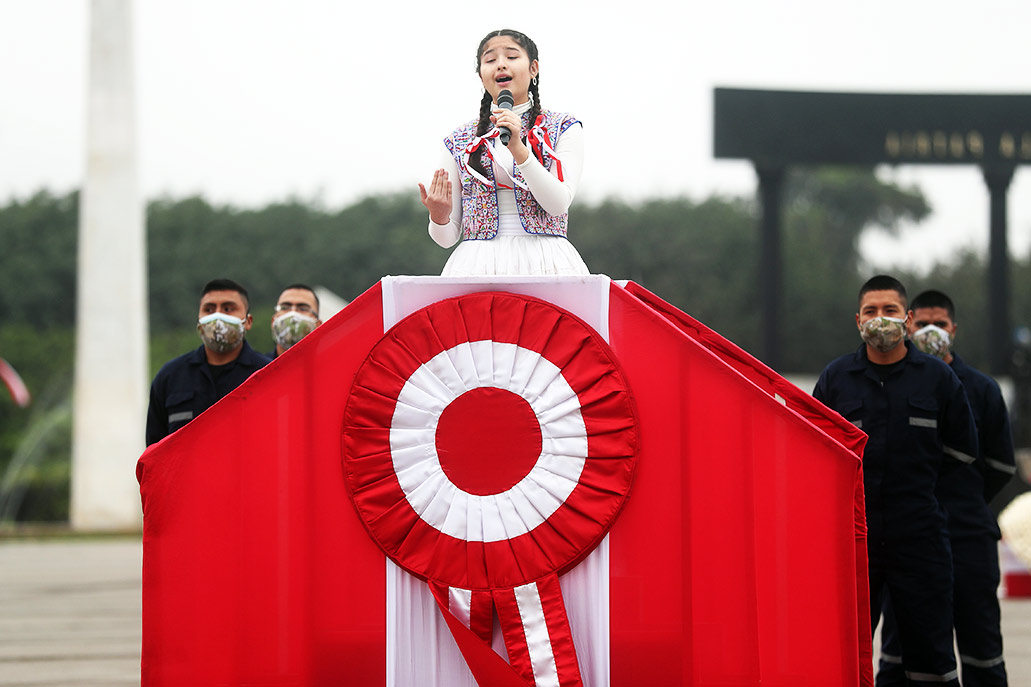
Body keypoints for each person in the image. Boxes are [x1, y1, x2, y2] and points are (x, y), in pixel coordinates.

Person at [813, 275, 978, 687]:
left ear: (906, 318)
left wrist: (919, 493)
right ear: (857, 320)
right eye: (871, 311)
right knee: (840, 655)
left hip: (920, 540)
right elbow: (813, 453)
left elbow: (963, 451)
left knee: (931, 659)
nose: (880, 320)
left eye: (889, 311)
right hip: (853, 545)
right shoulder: (836, 379)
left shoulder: (937, 380)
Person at [877, 289, 1015, 686]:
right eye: (922, 324)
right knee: (898, 655)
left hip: (968, 539)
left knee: (982, 652)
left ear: (954, 329)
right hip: (907, 542)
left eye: (940, 324)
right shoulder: (894, 384)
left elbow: (1000, 467)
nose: (930, 331)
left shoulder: (983, 390)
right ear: (908, 325)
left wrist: (960, 501)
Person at [418, 28, 588, 276]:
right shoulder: (459, 140)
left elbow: (558, 204)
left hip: (546, 262)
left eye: (511, 57)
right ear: (481, 76)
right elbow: (445, 239)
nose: (500, 65)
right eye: (490, 60)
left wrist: (518, 147)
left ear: (533, 68)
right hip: (477, 265)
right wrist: (439, 216)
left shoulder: (562, 127)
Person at [146, 278, 270, 445]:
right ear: (199, 322)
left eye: (228, 309)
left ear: (248, 322)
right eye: (209, 309)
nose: (217, 317)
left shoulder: (267, 375)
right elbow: (155, 454)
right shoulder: (170, 377)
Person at [269, 283, 322, 358]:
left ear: (318, 325)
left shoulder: (330, 368)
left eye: (303, 309)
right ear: (273, 322)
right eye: (284, 308)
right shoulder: (259, 368)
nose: (293, 314)